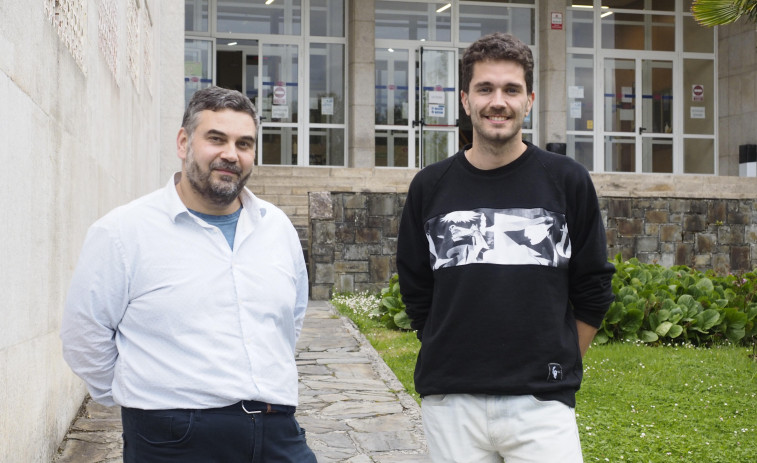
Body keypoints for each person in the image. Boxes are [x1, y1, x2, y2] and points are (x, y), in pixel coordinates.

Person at [61, 86, 317, 462]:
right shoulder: (122, 232)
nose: (231, 154)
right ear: (183, 142)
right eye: (217, 139)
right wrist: (145, 397)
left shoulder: (276, 227)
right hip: (173, 439)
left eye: (244, 144)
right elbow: (84, 335)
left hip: (276, 431)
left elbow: (288, 321)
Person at [397, 33, 616, 463]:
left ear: (529, 100)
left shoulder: (567, 180)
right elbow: (416, 290)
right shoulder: (430, 186)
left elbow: (593, 287)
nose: (498, 101)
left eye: (511, 89)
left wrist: (558, 359)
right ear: (465, 100)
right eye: (485, 89)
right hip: (451, 405)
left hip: (541, 406)